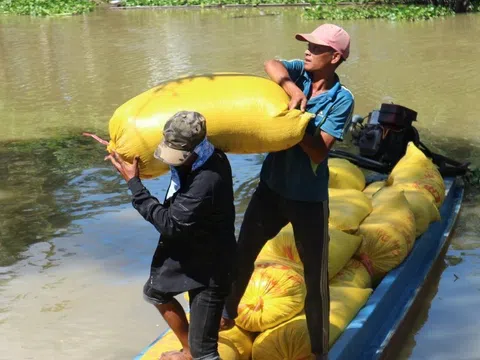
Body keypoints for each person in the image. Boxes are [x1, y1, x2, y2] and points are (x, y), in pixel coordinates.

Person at [221, 24, 355, 360]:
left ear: (335, 57)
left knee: (315, 277)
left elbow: (319, 152)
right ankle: (225, 317)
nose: (307, 50)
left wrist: (295, 122)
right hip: (271, 188)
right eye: (307, 44)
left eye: (316, 47)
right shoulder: (301, 73)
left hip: (308, 199)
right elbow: (270, 63)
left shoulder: (342, 99)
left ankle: (318, 349)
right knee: (242, 254)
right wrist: (289, 87)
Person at [106, 111, 236, 360]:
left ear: (196, 149)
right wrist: (118, 148)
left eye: (179, 156)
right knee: (156, 292)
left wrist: (135, 185)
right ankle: (187, 349)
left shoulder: (207, 180)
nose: (173, 161)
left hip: (211, 267)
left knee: (205, 353)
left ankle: (194, 351)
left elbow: (170, 224)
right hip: (191, 250)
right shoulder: (201, 156)